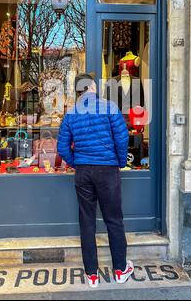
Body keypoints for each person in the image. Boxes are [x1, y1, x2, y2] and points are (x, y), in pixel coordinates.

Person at [57, 73, 134, 288]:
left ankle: (91, 275)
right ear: (91, 87)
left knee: (87, 221)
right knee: (114, 220)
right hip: (107, 171)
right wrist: (118, 162)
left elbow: (62, 148)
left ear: (77, 91)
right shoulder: (109, 107)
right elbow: (122, 138)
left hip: (83, 172)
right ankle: (120, 270)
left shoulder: (71, 113)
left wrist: (77, 163)